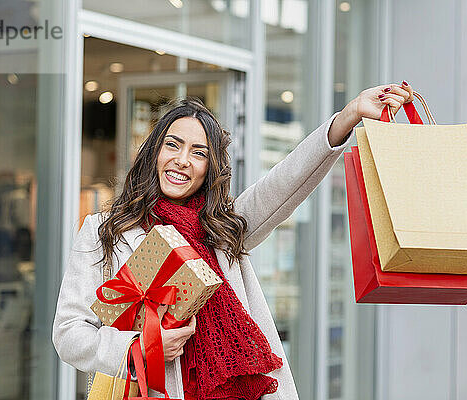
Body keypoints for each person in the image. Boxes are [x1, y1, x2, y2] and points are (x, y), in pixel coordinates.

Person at [52, 82, 414, 400]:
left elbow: (286, 181)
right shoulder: (107, 231)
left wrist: (349, 115)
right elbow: (69, 334)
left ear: (210, 167)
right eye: (172, 145)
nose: (181, 161)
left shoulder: (223, 229)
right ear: (153, 152)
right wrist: (140, 346)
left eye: (199, 153)